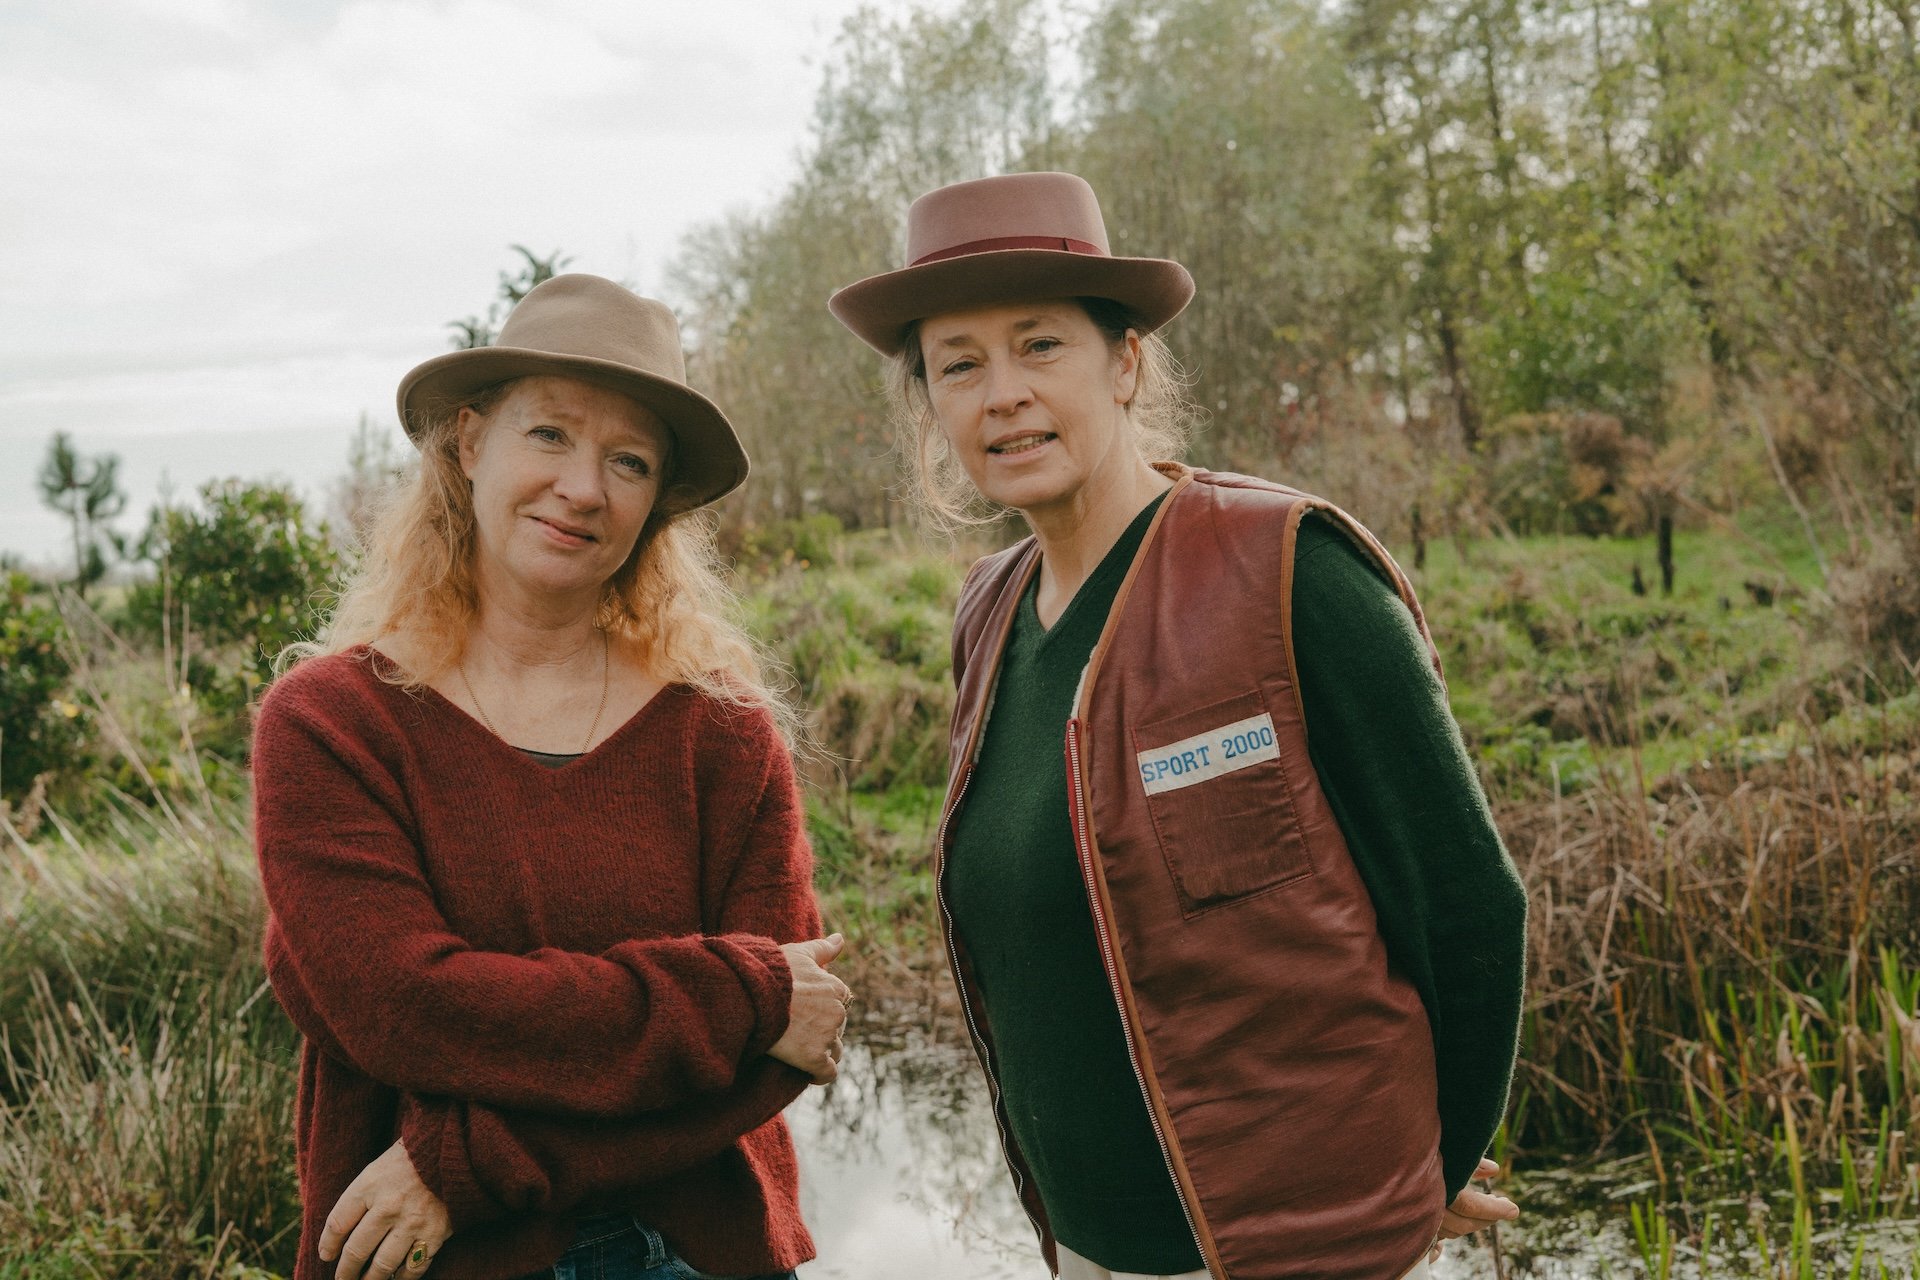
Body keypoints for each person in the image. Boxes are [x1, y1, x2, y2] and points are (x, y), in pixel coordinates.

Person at [826, 172, 1528, 1280]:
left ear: (1125, 361)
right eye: (959, 363)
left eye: (1040, 344)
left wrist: (1419, 1170)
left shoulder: (1286, 569)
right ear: (934, 404)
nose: (1001, 392)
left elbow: (1469, 904)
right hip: (1093, 1255)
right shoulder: (987, 611)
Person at [252, 274, 850, 1280]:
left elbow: (782, 1042)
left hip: (696, 1250)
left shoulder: (722, 732)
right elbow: (403, 1007)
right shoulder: (331, 723)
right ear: (471, 442)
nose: (585, 487)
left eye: (629, 460)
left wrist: (464, 1165)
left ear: (655, 500)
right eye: (551, 436)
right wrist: (731, 993)